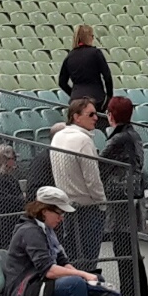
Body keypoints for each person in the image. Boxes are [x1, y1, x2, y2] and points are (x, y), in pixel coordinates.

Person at [6, 187, 110, 296]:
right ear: (44, 211)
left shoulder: (47, 230)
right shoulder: (30, 231)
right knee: (75, 284)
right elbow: (48, 270)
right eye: (59, 213)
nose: (62, 218)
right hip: (25, 289)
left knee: (95, 281)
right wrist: (83, 275)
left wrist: (89, 278)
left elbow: (63, 262)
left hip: (40, 284)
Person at [99, 96, 148, 296]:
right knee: (131, 253)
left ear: (111, 115)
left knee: (125, 255)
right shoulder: (132, 135)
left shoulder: (118, 139)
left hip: (120, 202)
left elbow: (100, 166)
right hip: (130, 199)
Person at [49, 97, 109, 269]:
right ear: (76, 117)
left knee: (71, 260)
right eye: (91, 114)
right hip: (88, 208)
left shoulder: (58, 136)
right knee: (89, 262)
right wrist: (102, 203)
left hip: (66, 206)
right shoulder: (83, 140)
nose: (96, 118)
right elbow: (92, 179)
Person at [58, 25, 113, 108]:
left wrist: (73, 94)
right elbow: (107, 76)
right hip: (96, 98)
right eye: (92, 36)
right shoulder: (95, 53)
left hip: (76, 100)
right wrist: (109, 97)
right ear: (88, 37)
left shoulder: (70, 56)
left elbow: (62, 82)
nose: (93, 38)